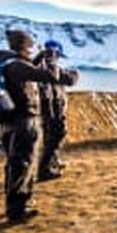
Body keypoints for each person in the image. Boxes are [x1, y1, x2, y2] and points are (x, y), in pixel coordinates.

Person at [0, 30, 77, 223]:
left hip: (11, 120)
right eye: (30, 45)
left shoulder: (8, 63)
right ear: (23, 45)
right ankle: (19, 208)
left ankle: (14, 204)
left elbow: (31, 68)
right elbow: (50, 76)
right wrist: (52, 59)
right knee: (23, 163)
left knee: (15, 163)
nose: (32, 49)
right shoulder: (16, 66)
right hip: (24, 120)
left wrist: (41, 57)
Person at [35, 40, 79, 181]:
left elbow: (68, 80)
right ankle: (44, 169)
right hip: (52, 109)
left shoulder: (39, 67)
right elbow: (70, 80)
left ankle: (53, 161)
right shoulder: (48, 69)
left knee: (51, 137)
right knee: (57, 135)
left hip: (50, 108)